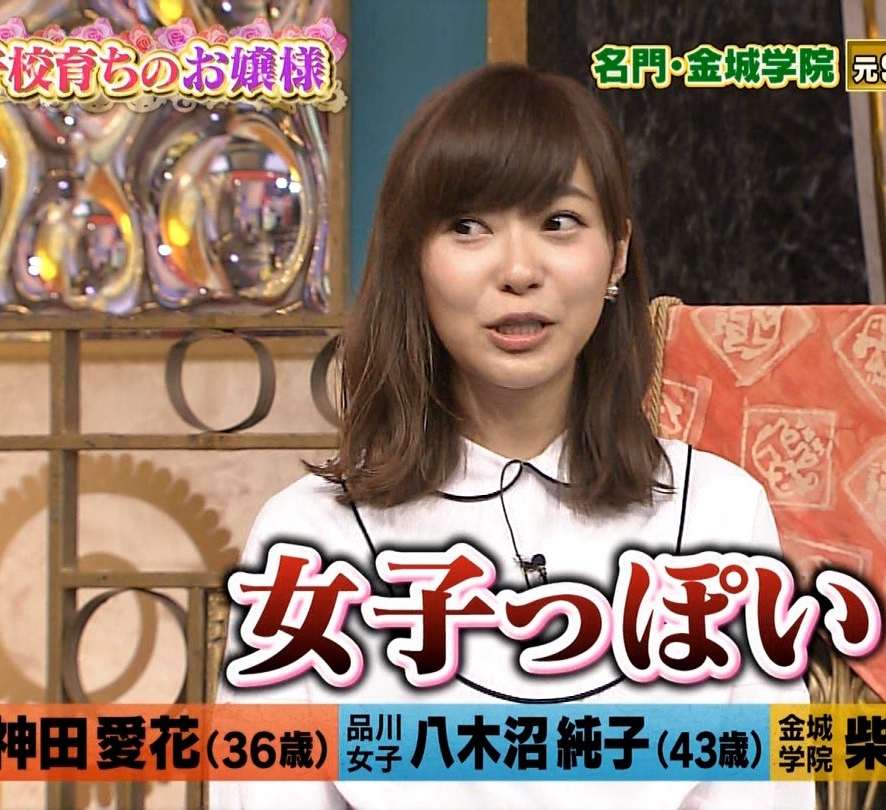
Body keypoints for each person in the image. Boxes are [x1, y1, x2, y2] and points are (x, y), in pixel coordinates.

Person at [213, 63, 813, 809]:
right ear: (413, 259)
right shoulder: (308, 539)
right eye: (469, 226)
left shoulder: (721, 515)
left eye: (559, 222)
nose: (519, 270)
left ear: (617, 253)